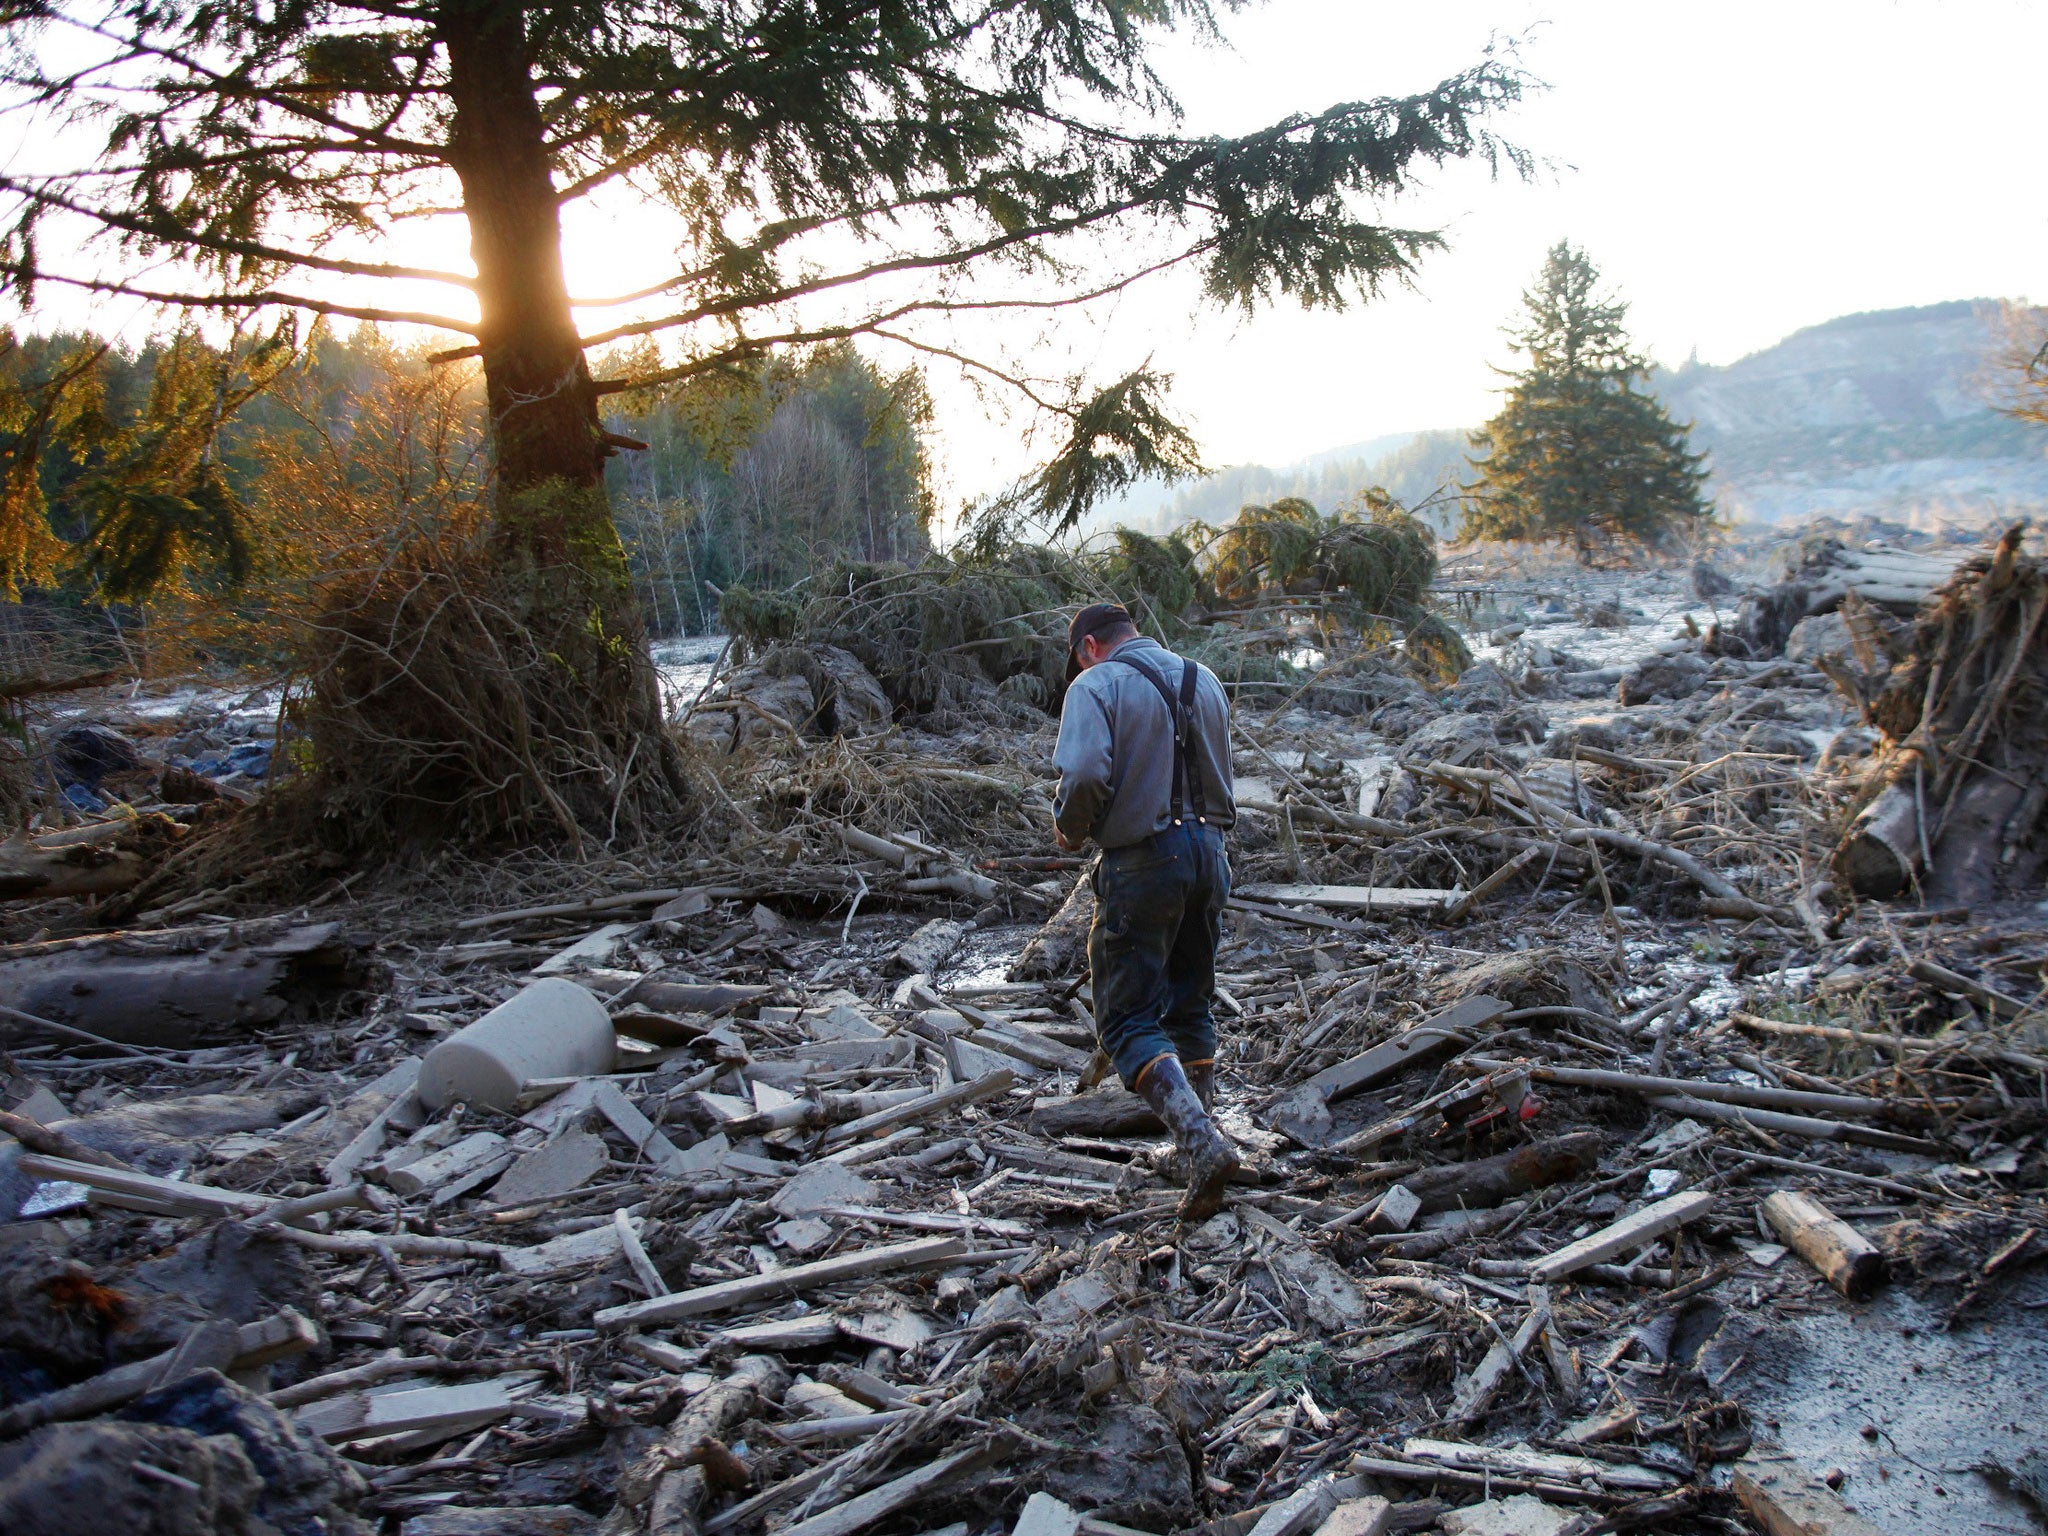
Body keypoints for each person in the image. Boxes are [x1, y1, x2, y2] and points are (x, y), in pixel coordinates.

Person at [1052, 602, 1240, 1220]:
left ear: (1088, 648)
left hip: (1143, 863)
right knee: (1191, 1001)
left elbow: (1081, 774)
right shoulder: (1202, 677)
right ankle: (1199, 1136)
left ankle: (1200, 1142)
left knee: (1127, 1020)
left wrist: (1071, 829)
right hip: (1210, 857)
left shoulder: (1095, 683)